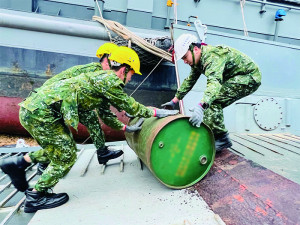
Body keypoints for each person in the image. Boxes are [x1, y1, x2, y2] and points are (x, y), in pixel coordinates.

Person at [0, 46, 178, 213]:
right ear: (124, 70)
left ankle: (18, 164)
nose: (132, 78)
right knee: (67, 156)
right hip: (41, 113)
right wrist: (155, 111)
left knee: (63, 149)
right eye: (132, 74)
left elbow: (105, 113)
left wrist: (125, 127)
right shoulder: (110, 81)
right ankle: (35, 196)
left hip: (38, 110)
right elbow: (131, 107)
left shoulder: (102, 80)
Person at [162, 33, 261, 152]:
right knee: (209, 103)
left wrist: (201, 105)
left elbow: (214, 82)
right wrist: (174, 101)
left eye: (185, 57)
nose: (185, 61)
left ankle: (222, 139)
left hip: (249, 77)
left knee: (211, 102)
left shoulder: (212, 57)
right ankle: (214, 137)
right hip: (234, 78)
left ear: (196, 49)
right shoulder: (197, 61)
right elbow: (190, 81)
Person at [35, 43, 123, 175]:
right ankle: (42, 163)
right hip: (54, 100)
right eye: (115, 62)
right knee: (61, 137)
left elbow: (101, 102)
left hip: (65, 100)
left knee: (91, 118)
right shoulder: (94, 71)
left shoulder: (100, 72)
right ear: (107, 59)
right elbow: (102, 106)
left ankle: (102, 152)